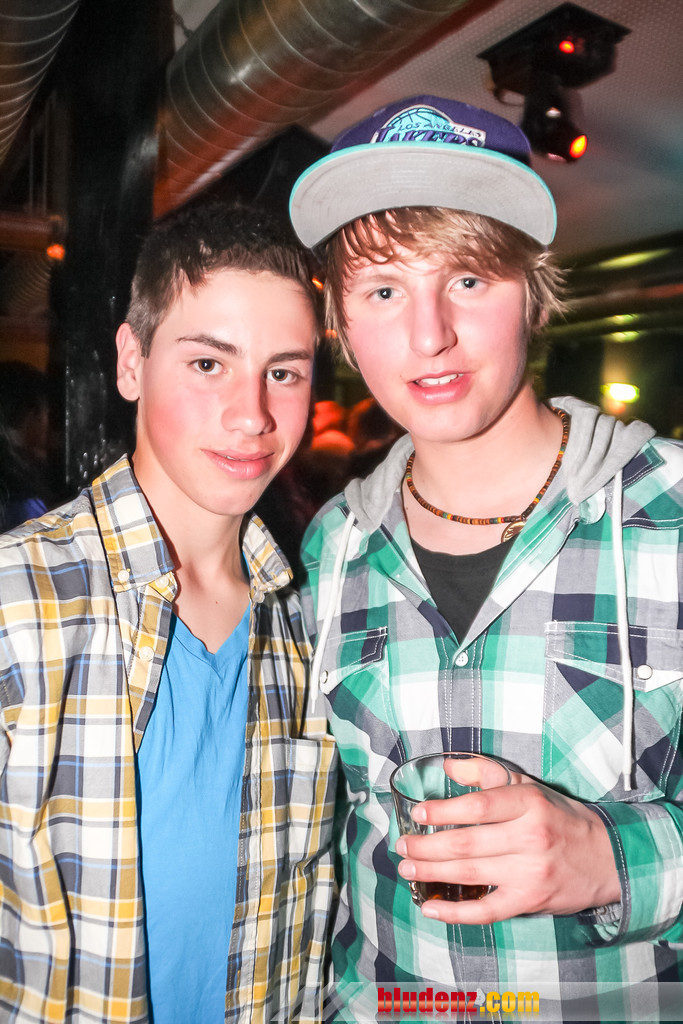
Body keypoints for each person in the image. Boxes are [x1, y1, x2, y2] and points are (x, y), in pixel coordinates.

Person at [289, 96, 683, 1021]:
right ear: (340, 322)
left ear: (533, 293)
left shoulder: (668, 512)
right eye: (382, 291)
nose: (428, 334)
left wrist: (616, 859)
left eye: (466, 279)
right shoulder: (329, 548)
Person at [0, 201, 337, 1023]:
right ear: (131, 363)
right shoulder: (18, 598)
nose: (251, 414)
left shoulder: (308, 622)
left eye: (283, 372)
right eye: (208, 363)